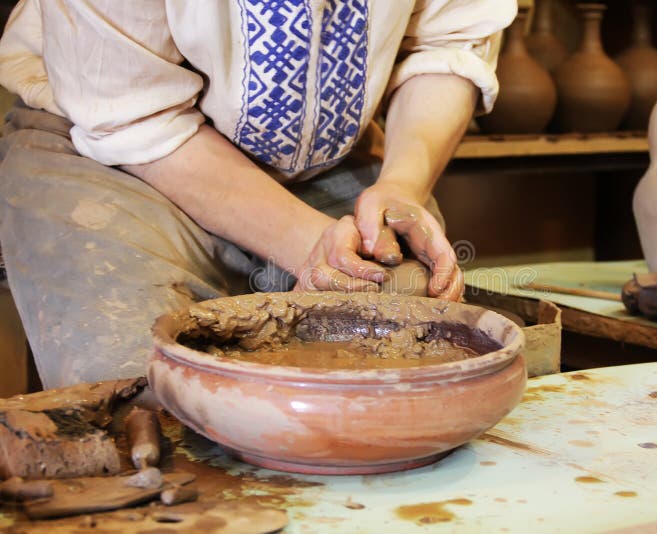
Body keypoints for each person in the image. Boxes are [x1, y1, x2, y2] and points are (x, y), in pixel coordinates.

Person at [0, 0, 515, 388]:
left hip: (326, 158)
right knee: (151, 399)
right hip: (110, 149)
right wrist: (308, 242)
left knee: (421, 358)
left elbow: (447, 42)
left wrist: (404, 184)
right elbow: (128, 110)